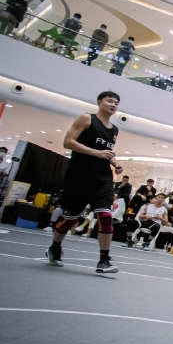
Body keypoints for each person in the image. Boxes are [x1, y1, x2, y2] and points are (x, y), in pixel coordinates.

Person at [44, 91, 124, 274]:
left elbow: (106, 152)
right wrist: (96, 153)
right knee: (70, 219)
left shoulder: (114, 129)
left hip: (103, 178)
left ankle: (104, 260)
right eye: (110, 101)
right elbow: (68, 142)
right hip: (79, 177)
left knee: (106, 216)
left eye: (116, 103)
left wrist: (115, 163)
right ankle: (55, 247)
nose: (113, 105)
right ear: (99, 102)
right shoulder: (87, 119)